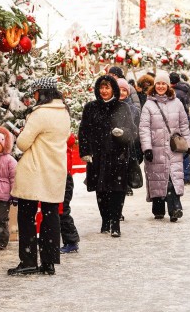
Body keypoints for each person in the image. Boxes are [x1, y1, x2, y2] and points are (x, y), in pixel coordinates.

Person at [8, 77, 70, 276]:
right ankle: (49, 262)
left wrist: (21, 134)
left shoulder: (40, 113)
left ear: (42, 92)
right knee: (51, 215)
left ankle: (28, 261)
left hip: (34, 171)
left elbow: (23, 143)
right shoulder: (64, 113)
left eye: (35, 92)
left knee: (27, 216)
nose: (34, 96)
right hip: (55, 170)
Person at [78, 75, 136, 237]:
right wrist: (85, 152)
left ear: (113, 90)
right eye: (101, 87)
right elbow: (84, 131)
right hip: (97, 156)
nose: (104, 91)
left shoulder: (122, 107)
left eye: (107, 87)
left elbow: (132, 131)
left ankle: (115, 222)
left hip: (118, 155)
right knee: (101, 189)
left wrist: (123, 133)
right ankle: (105, 220)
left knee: (118, 190)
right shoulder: (90, 107)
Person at [139, 71, 190, 222]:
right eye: (158, 83)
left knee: (172, 177)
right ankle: (158, 208)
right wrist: (147, 148)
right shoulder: (148, 105)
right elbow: (144, 128)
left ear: (168, 85)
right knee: (157, 178)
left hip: (173, 148)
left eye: (164, 83)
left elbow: (184, 125)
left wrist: (187, 144)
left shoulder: (177, 103)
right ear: (154, 85)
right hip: (155, 149)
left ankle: (175, 209)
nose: (161, 86)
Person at [117, 78, 142, 197]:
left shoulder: (133, 109)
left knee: (126, 167)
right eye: (119, 90)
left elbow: (136, 128)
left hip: (129, 144)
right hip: (114, 145)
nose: (121, 92)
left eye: (124, 90)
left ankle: (126, 185)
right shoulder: (110, 107)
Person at [170, 72, 190, 185]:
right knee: (184, 148)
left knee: (177, 149)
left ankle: (180, 176)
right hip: (185, 119)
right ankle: (187, 175)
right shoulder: (185, 89)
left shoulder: (174, 93)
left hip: (177, 122)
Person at [60, 133, 80, 254]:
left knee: (62, 211)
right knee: (62, 211)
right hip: (64, 179)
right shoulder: (64, 147)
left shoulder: (63, 149)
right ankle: (70, 240)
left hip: (63, 180)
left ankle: (71, 241)